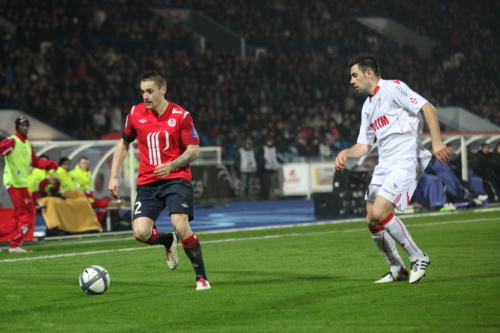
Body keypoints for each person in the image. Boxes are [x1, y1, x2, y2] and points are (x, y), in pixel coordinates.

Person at [334, 53, 451, 284]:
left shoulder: (394, 88)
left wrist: (436, 142)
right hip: (384, 165)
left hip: (404, 160)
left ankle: (418, 256)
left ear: (369, 73)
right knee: (371, 219)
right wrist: (346, 152)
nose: (351, 81)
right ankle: (397, 268)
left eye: (354, 75)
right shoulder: (367, 107)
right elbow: (364, 145)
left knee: (380, 212)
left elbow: (428, 108)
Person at [108, 71, 210, 290]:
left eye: (150, 91)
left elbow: (194, 150)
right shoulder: (135, 113)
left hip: (176, 178)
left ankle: (201, 277)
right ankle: (166, 241)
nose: (145, 96)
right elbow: (123, 143)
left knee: (180, 224)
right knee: (140, 233)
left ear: (163, 90)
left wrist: (172, 165)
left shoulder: (181, 116)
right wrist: (113, 176)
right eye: (143, 91)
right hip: (147, 182)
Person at [0, 117, 58, 253]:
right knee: (27, 216)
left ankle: (14, 245)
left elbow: (36, 162)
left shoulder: (28, 144)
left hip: (22, 184)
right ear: (17, 127)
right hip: (14, 183)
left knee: (18, 217)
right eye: (22, 125)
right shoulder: (11, 141)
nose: (25, 127)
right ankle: (14, 246)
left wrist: (51, 164)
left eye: (27, 125)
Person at [71, 156, 110, 223]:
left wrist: (90, 193)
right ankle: (88, 224)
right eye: (83, 163)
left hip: (90, 197)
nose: (85, 165)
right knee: (86, 206)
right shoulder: (73, 173)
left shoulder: (88, 173)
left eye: (87, 163)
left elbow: (90, 186)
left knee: (104, 204)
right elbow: (72, 187)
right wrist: (81, 190)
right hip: (80, 197)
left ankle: (97, 223)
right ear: (78, 163)